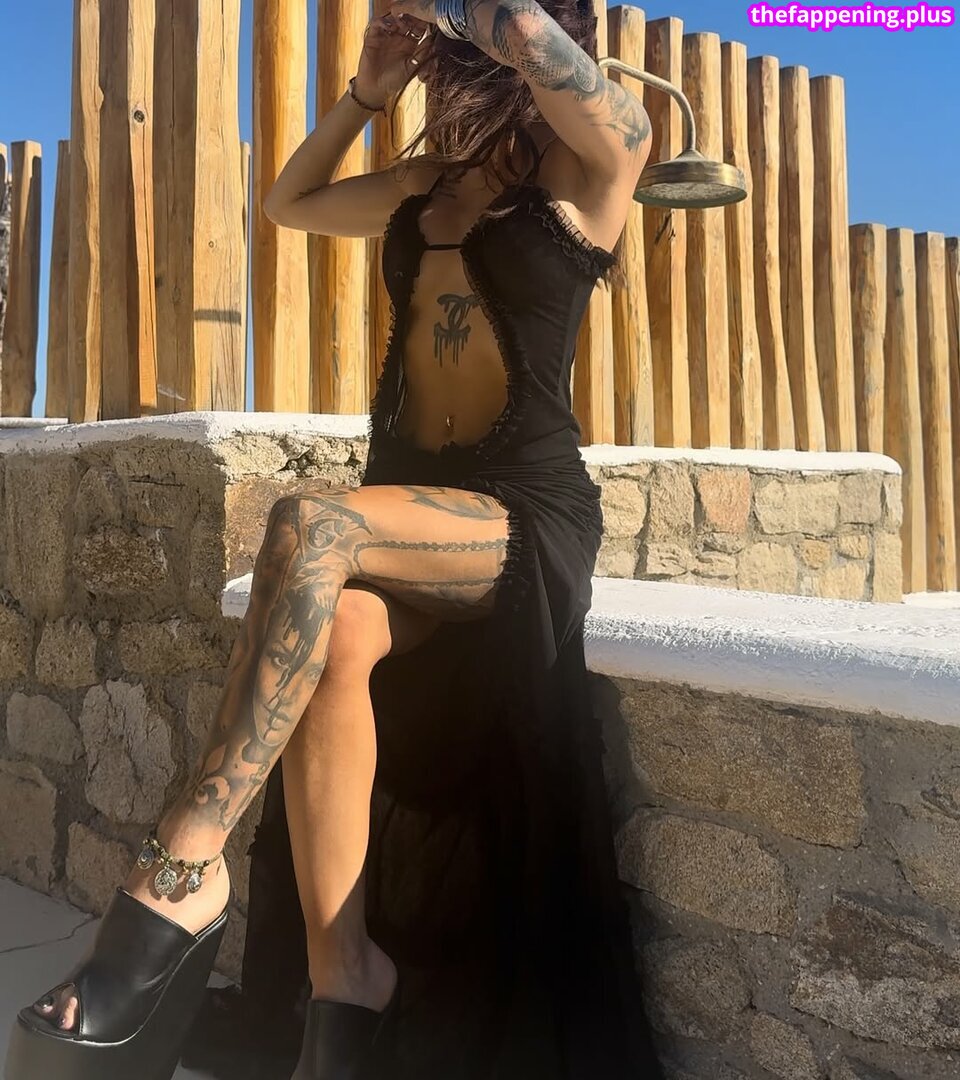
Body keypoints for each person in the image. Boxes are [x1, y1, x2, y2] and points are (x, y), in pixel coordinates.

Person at [5, 1, 665, 1078]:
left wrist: (482, 17)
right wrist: (365, 94)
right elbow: (290, 203)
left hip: (521, 511)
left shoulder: (600, 166)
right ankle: (342, 980)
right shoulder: (427, 183)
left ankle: (183, 861)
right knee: (342, 635)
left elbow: (543, 48)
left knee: (311, 523)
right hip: (404, 507)